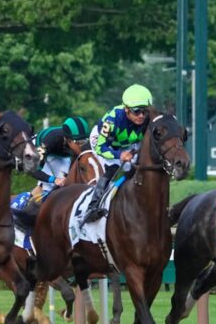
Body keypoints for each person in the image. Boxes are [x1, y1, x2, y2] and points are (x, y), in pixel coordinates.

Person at [83, 84, 153, 223]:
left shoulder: (148, 119)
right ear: (126, 109)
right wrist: (119, 156)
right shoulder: (112, 120)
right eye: (137, 111)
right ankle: (92, 207)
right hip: (104, 143)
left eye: (145, 111)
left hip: (126, 144)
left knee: (138, 169)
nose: (141, 116)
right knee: (113, 168)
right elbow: (100, 147)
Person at [30, 116, 91, 194]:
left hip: (62, 153)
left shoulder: (75, 142)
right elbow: (33, 169)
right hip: (43, 148)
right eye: (79, 143)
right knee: (51, 185)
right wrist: (54, 180)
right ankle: (28, 200)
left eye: (85, 141)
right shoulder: (50, 141)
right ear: (69, 140)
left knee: (70, 181)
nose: (82, 146)